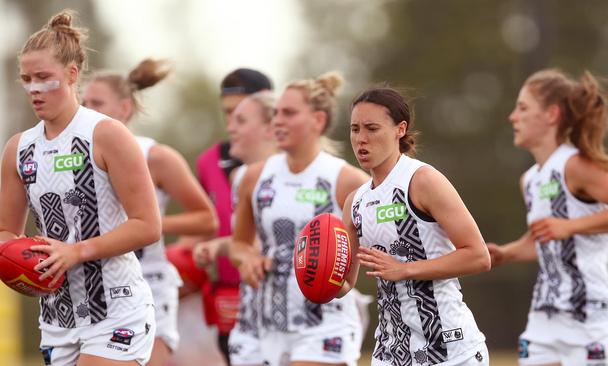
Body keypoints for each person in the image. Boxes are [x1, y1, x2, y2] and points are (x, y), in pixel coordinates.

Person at [0, 10, 159, 365]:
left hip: (116, 309)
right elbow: (6, 230)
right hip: (57, 319)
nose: (34, 88)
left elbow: (148, 225)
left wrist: (77, 251)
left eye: (44, 77)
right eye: (26, 79)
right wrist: (16, 263)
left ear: (72, 75)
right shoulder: (18, 148)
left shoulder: (106, 134)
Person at [487, 69, 608, 366]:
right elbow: (544, 238)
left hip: (591, 317)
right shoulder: (530, 180)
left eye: (522, 108)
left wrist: (571, 226)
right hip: (546, 316)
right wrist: (504, 253)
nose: (513, 117)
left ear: (551, 114)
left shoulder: (574, 165)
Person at [338, 86, 492, 366]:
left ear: (400, 129)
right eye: (355, 129)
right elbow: (345, 282)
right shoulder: (355, 202)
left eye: (372, 128)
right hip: (390, 352)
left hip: (449, 350)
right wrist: (316, 277)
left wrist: (405, 269)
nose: (361, 139)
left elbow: (478, 256)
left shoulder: (423, 181)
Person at [82, 58, 218, 366]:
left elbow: (206, 218)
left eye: (97, 103)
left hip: (150, 285)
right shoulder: (75, 157)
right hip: (96, 290)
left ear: (124, 109)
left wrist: (146, 223)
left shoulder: (155, 156)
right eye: (83, 103)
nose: (86, 110)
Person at [230, 72, 367, 366]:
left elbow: (390, 236)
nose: (277, 120)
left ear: (317, 120)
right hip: (260, 325)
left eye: (288, 113)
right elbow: (238, 243)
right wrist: (248, 259)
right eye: (276, 113)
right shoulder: (253, 177)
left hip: (322, 325)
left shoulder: (345, 179)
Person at [189, 67, 273, 363]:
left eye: (240, 114)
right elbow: (205, 222)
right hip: (229, 294)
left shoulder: (302, 167)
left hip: (283, 295)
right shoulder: (209, 161)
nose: (231, 124)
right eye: (227, 114)